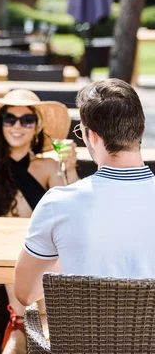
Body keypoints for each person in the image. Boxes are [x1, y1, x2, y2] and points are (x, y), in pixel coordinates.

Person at [0, 89, 79, 354]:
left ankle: (21, 327)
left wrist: (69, 169)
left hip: (39, 257)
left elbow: (73, 213)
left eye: (26, 120)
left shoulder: (48, 167)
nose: (17, 126)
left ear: (36, 128)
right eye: (9, 119)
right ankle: (29, 327)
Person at [15, 78, 155, 304]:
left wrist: (69, 255)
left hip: (81, 338)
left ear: (92, 135)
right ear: (140, 128)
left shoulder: (58, 203)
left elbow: (25, 293)